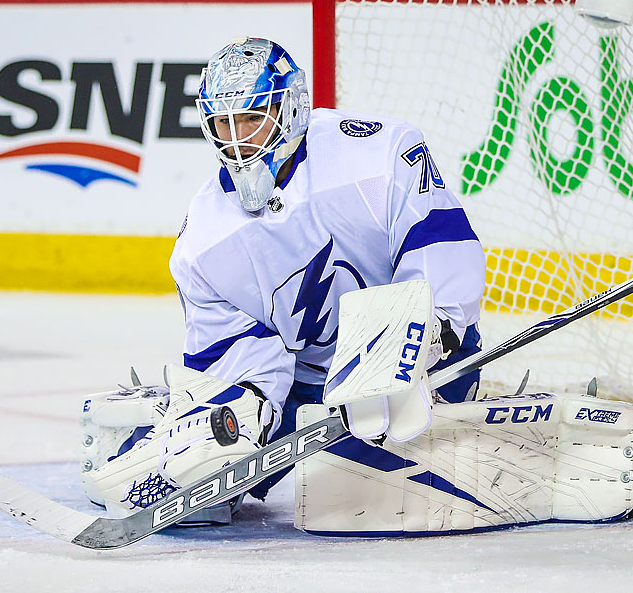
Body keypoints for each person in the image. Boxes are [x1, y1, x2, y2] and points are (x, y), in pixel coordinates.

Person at [84, 36, 486, 519]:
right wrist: (243, 416)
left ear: (291, 108)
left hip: (421, 361)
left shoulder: (378, 154)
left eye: (252, 117)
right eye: (223, 123)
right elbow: (235, 352)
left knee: (370, 492)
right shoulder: (202, 243)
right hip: (308, 389)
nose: (238, 139)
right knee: (190, 469)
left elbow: (440, 247)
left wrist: (424, 339)